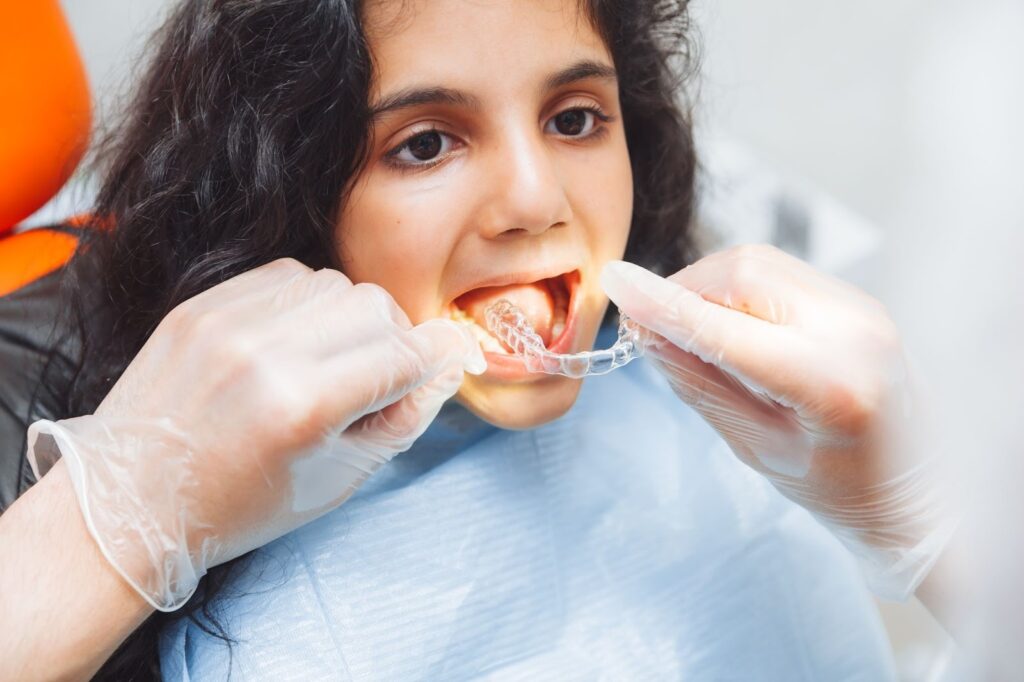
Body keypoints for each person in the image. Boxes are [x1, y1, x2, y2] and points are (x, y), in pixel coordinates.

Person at [0, 0, 948, 679]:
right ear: (290, 194)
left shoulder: (729, 362)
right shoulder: (162, 474)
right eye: (424, 143)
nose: (537, 199)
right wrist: (115, 526)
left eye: (576, 119)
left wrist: (942, 533)